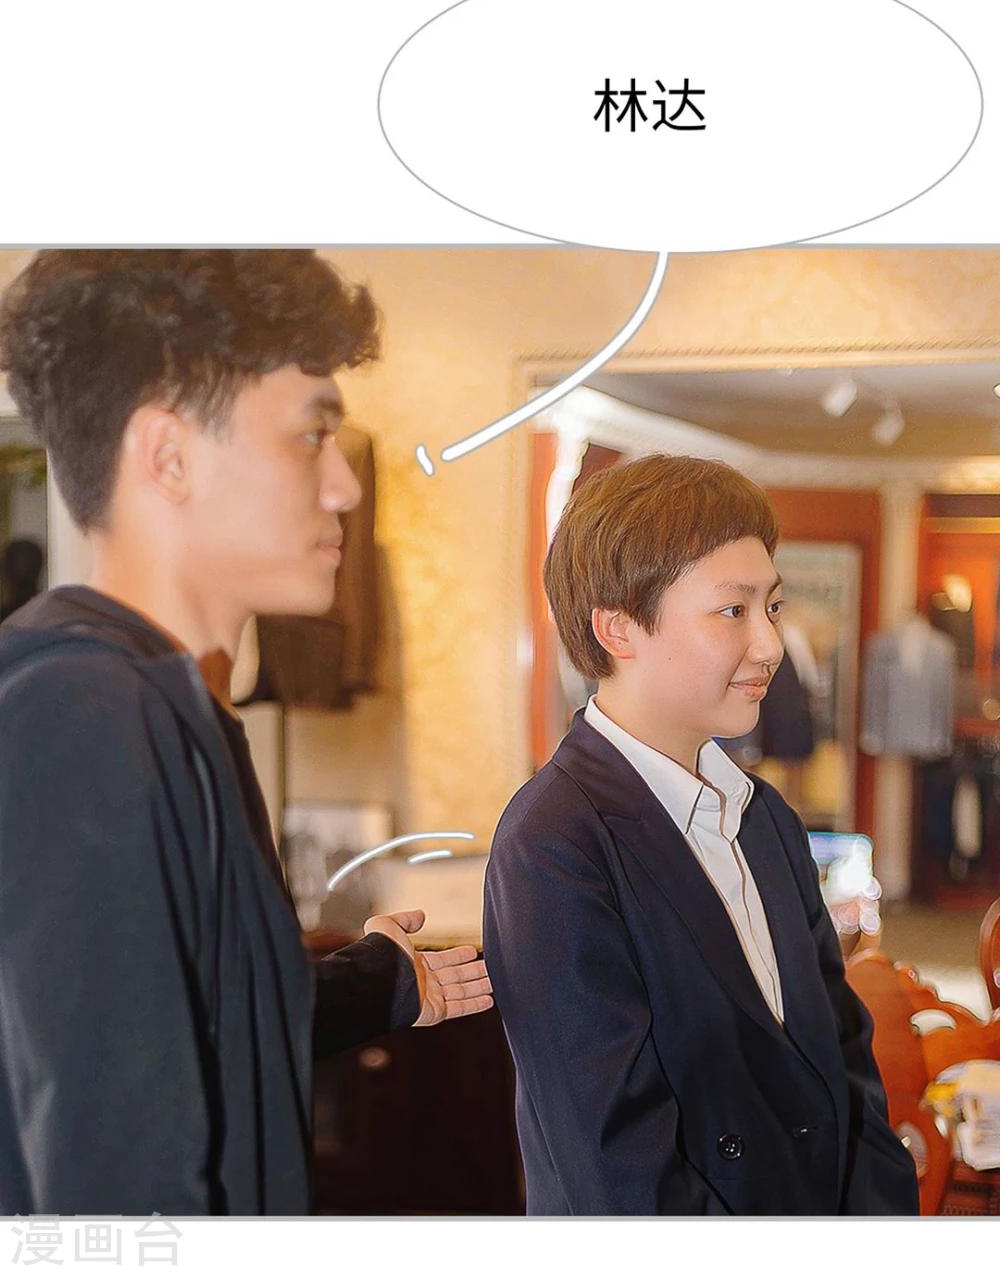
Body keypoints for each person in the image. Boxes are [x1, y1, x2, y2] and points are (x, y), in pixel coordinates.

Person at [0, 250, 493, 1216]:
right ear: (169, 455)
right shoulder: (83, 713)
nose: (344, 488)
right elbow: (112, 1173)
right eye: (312, 437)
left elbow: (185, 1018)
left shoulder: (166, 704)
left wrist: (376, 983)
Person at [483, 454, 918, 1216]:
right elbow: (619, 1169)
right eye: (733, 611)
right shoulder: (554, 842)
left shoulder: (765, 817)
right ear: (619, 627)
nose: (770, 645)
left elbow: (843, 1065)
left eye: (772, 607)